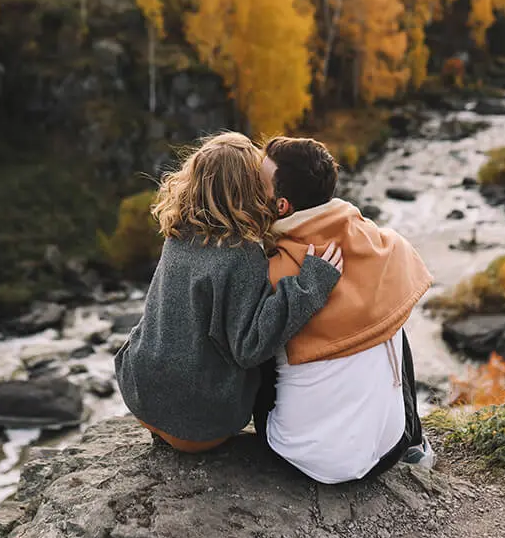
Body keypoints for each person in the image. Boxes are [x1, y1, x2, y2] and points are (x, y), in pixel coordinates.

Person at [115, 132, 344, 453]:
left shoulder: (179, 230)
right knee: (271, 357)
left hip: (140, 394)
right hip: (198, 427)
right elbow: (251, 347)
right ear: (247, 189)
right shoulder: (242, 253)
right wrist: (309, 285)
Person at [254, 136, 435, 484]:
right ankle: (415, 442)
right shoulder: (386, 247)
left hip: (299, 456)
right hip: (387, 451)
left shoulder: (272, 271)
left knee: (261, 334)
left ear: (281, 207)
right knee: (390, 312)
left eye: (258, 184)